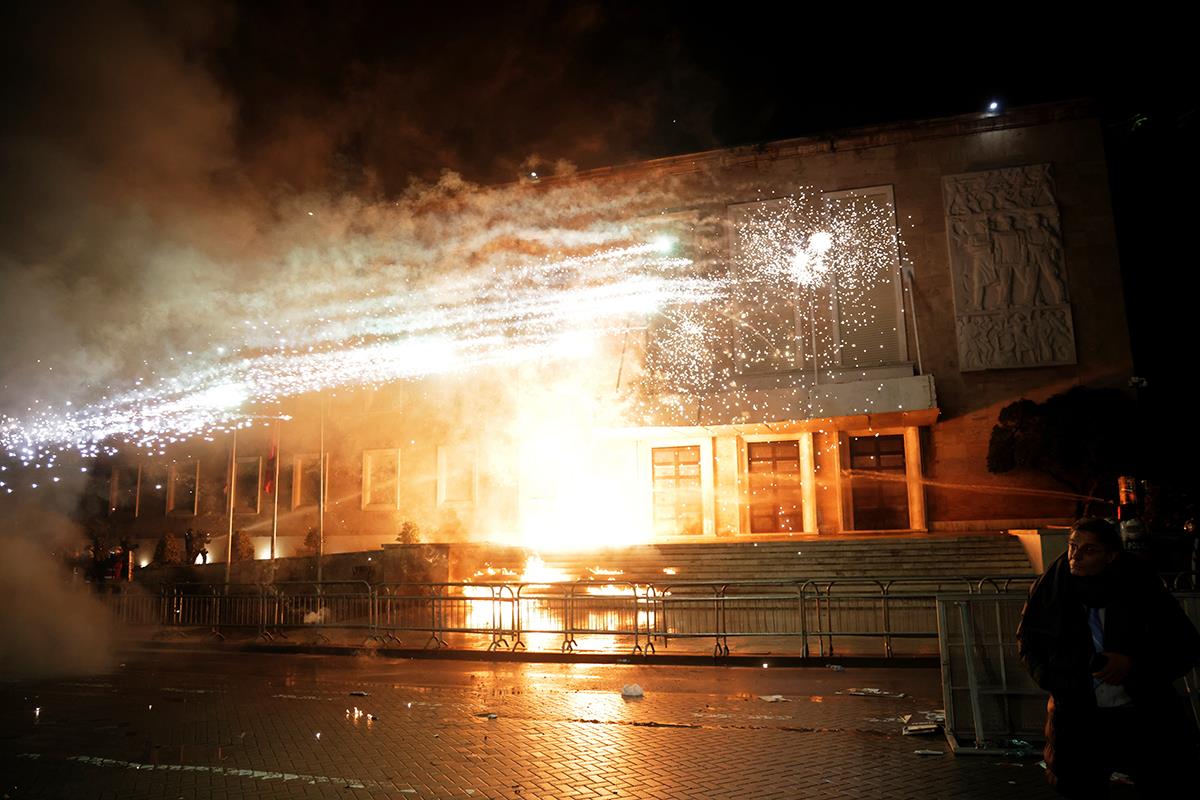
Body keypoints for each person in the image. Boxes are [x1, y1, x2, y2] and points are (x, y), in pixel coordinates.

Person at [1017, 517, 1200, 797]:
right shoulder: (1049, 589)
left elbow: (1182, 644)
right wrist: (1055, 681)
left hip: (1140, 714)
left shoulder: (1141, 587)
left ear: (1111, 556)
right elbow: (1030, 643)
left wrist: (1133, 666)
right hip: (1076, 717)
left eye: (1089, 550)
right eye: (1072, 546)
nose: (1075, 557)